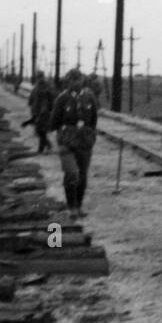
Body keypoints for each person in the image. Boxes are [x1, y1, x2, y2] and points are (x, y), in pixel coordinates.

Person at [49, 68, 98, 220]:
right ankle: (71, 207)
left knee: (82, 175)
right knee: (71, 173)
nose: (75, 83)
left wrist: (90, 135)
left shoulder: (89, 97)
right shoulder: (62, 99)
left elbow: (93, 120)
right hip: (67, 142)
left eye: (78, 79)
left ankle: (78, 206)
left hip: (84, 141)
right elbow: (54, 122)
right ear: (67, 82)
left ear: (82, 80)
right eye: (72, 80)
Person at [28, 71, 55, 154]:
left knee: (41, 131)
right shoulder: (36, 87)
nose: (39, 78)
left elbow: (52, 99)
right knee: (39, 131)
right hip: (36, 112)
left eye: (40, 77)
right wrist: (31, 105)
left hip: (44, 113)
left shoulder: (47, 87)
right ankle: (48, 145)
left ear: (43, 77)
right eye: (38, 77)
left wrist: (49, 109)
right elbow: (31, 98)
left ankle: (41, 149)